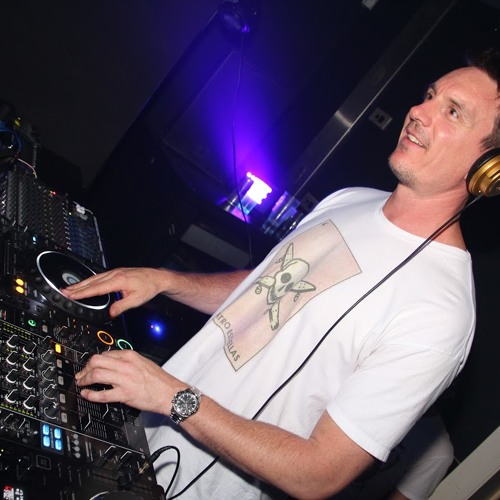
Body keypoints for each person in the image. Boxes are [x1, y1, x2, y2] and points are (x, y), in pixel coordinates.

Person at [63, 46, 500, 499]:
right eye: (429, 96)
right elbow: (266, 290)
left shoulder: (441, 312)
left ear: (489, 169)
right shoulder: (350, 199)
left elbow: (319, 473)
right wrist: (167, 282)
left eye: (453, 112)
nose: (419, 112)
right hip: (139, 439)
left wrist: (172, 396)